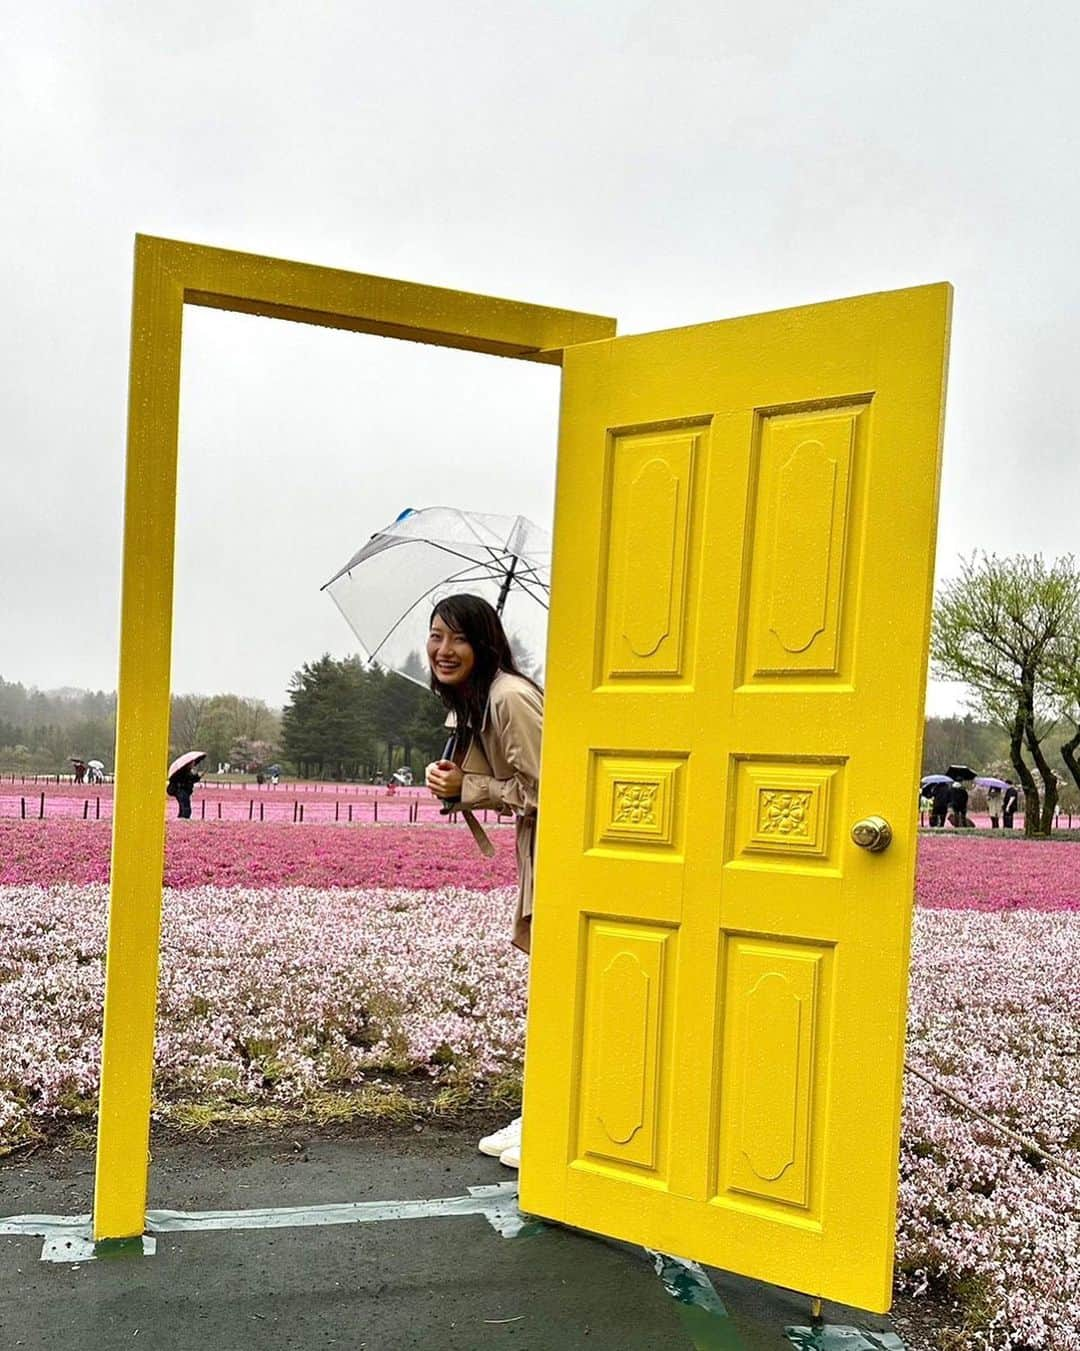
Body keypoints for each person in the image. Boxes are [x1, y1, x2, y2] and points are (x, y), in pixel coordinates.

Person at [424, 594, 543, 1173]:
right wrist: (454, 778)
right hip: (535, 853)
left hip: (557, 855)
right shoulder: (482, 702)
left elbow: (549, 789)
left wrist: (470, 790)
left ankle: (548, 1115)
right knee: (547, 989)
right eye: (436, 636)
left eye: (458, 639)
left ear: (484, 643)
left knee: (554, 989)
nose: (444, 651)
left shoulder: (511, 698)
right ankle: (543, 1108)